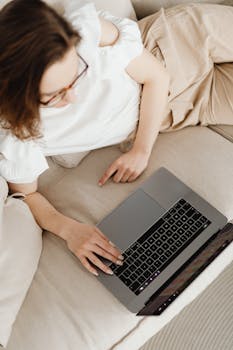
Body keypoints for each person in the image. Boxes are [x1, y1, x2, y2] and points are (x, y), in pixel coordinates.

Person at [0, 0, 232, 276]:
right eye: (54, 96)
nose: (73, 97)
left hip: (175, 43)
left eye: (77, 74)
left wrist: (141, 150)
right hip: (183, 108)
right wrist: (70, 230)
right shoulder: (16, 134)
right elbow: (27, 194)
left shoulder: (86, 32)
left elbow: (156, 77)